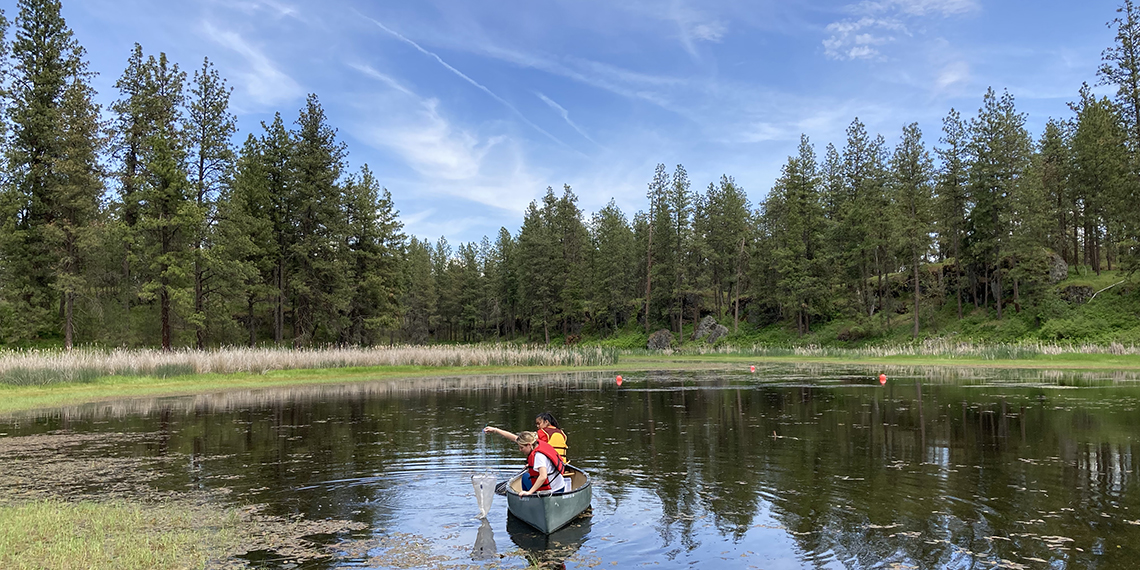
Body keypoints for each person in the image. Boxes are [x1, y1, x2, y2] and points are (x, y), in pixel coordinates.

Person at [485, 411, 569, 462]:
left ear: (546, 422)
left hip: (551, 465)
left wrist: (496, 430)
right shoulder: (562, 433)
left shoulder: (541, 432)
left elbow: (517, 439)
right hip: (562, 464)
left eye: (538, 423)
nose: (537, 426)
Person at [512, 431, 566, 496]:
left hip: (552, 491)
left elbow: (543, 476)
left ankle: (528, 499)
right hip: (560, 487)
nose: (520, 450)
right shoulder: (540, 445)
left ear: (529, 445)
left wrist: (529, 492)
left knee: (525, 477)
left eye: (522, 447)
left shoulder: (538, 456)